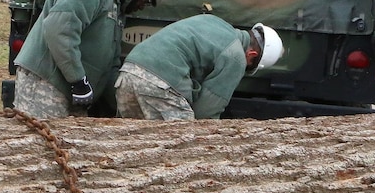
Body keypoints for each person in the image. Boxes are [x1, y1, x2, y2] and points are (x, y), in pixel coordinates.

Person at [12, 0, 171, 118]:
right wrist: (78, 81)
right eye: (146, 1)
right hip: (46, 82)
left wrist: (125, 104)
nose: (142, 7)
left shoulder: (116, 7)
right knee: (41, 140)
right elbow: (59, 29)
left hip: (74, 92)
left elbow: (110, 64)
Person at [115, 14, 284, 120]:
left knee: (132, 142)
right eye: (248, 66)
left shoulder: (215, 22)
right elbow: (206, 113)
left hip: (128, 72)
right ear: (252, 55)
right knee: (186, 143)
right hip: (158, 83)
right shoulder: (236, 57)